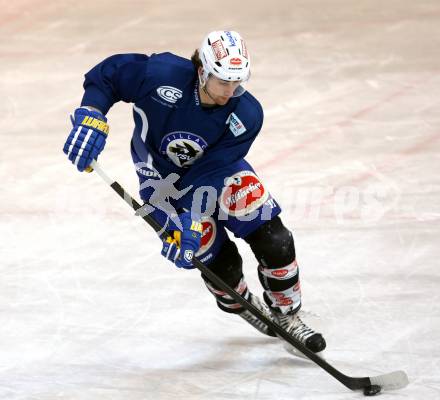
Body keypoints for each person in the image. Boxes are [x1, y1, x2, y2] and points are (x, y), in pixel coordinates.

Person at [63, 30, 326, 354]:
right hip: (160, 183)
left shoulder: (246, 114)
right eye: (223, 82)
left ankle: (287, 315)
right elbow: (109, 74)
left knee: (275, 239)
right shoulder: (161, 75)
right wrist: (92, 113)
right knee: (215, 261)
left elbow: (213, 169)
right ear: (202, 70)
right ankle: (241, 302)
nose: (230, 92)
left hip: (217, 173)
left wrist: (194, 215)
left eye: (238, 82)